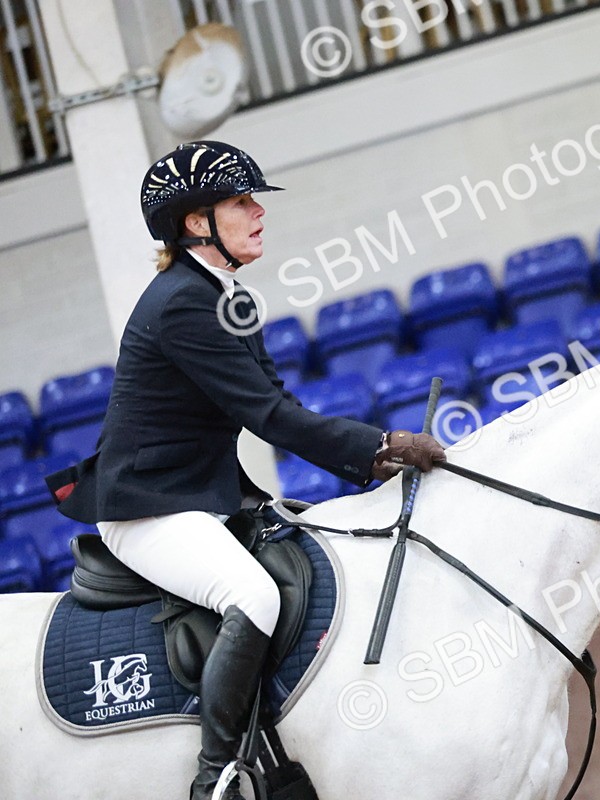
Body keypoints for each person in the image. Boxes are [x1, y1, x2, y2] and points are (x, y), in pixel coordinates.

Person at [48, 140, 445, 800]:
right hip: (149, 508)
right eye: (241, 201)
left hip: (197, 495)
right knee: (253, 596)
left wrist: (371, 455)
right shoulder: (182, 303)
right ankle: (218, 774)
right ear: (197, 222)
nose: (259, 212)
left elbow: (276, 402)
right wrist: (387, 440)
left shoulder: (220, 292)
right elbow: (269, 416)